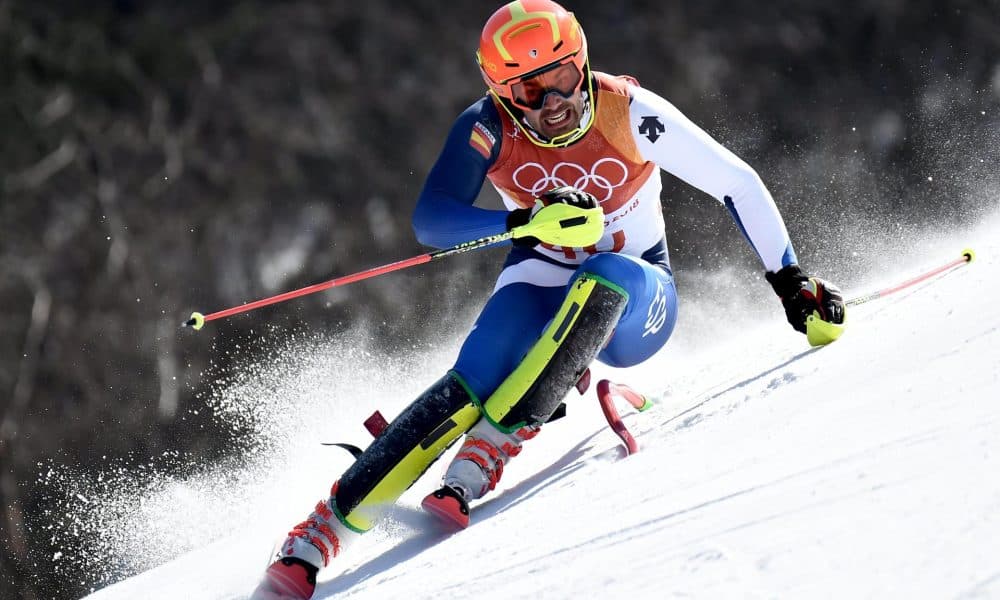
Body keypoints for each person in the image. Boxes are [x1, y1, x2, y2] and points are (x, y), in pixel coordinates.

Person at [251, 1, 845, 597]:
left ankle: (492, 444)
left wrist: (790, 281)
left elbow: (735, 182)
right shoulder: (488, 126)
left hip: (638, 297)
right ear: (501, 92)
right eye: (527, 90)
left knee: (606, 274)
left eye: (560, 77)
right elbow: (431, 220)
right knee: (477, 370)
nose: (550, 102)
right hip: (541, 274)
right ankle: (321, 532)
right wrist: (525, 221)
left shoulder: (627, 110)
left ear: (581, 63)